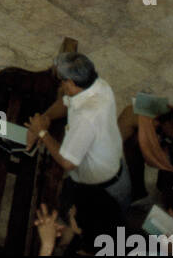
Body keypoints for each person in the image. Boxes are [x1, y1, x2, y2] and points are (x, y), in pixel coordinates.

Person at [26, 51, 131, 217]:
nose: (60, 87)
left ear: (70, 83)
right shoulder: (99, 86)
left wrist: (42, 132)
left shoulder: (86, 117)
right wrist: (46, 117)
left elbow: (68, 163)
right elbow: (66, 102)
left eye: (62, 82)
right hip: (106, 175)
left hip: (103, 191)